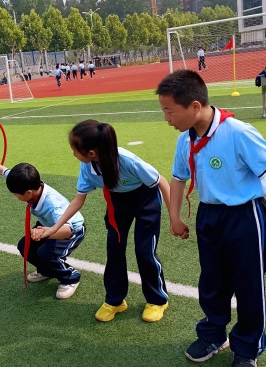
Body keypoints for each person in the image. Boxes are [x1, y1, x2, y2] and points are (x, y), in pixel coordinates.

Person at [156, 70, 266, 366]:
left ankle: (247, 348)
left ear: (195, 106)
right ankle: (213, 334)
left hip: (245, 216)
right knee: (212, 281)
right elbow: (178, 178)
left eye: (169, 111)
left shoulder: (238, 132)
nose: (167, 119)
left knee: (248, 285)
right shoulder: (185, 140)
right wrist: (174, 216)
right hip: (209, 216)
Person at [38, 120, 171, 323]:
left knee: (145, 251)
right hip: (117, 202)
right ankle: (115, 300)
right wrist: (54, 228)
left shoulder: (127, 160)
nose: (74, 154)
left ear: (92, 153)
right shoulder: (87, 167)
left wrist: (174, 217)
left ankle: (157, 300)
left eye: (75, 150)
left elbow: (160, 181)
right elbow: (78, 200)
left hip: (146, 199)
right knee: (114, 250)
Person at [0, 156, 86, 299]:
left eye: (16, 195)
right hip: (48, 225)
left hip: (70, 230)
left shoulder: (53, 205)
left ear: (28, 193)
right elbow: (2, 170)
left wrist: (47, 233)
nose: (16, 196)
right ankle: (47, 271)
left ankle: (71, 278)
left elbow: (68, 230)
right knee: (25, 246)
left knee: (46, 254)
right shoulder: (27, 183)